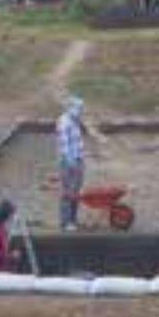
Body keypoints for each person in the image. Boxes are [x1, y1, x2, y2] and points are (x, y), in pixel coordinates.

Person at [56, 95, 89, 231]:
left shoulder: (75, 121)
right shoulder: (64, 122)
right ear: (71, 108)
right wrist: (71, 162)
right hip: (68, 163)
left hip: (78, 160)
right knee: (67, 192)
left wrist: (81, 159)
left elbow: (77, 142)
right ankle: (65, 222)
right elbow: (64, 145)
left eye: (81, 108)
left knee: (76, 192)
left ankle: (73, 220)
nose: (81, 111)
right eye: (79, 108)